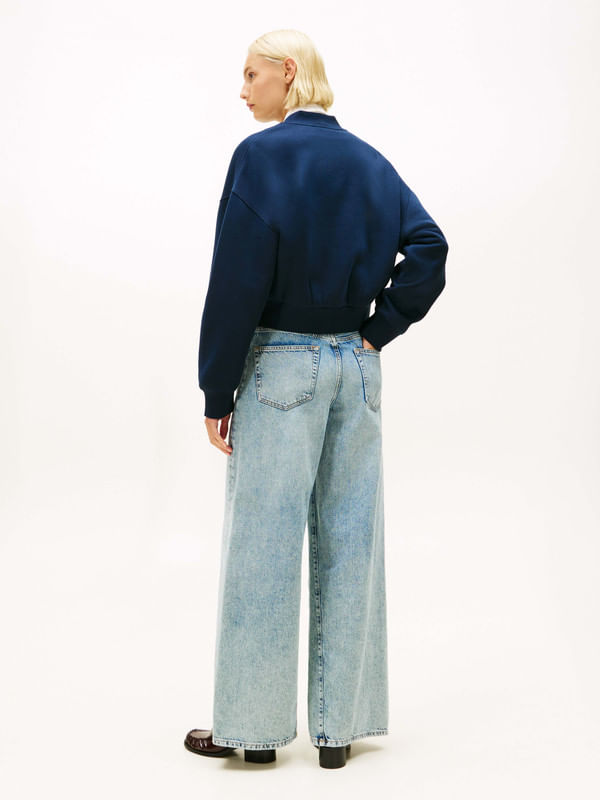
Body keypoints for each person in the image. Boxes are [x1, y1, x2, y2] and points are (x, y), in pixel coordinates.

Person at [184, 29, 449, 770]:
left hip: (281, 368)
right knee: (351, 538)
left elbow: (236, 281)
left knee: (263, 543)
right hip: (357, 369)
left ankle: (251, 732)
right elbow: (429, 248)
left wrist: (217, 385)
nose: (243, 89)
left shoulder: (260, 157)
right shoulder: (369, 160)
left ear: (288, 72)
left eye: (252, 74)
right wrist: (377, 331)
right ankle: (339, 733)